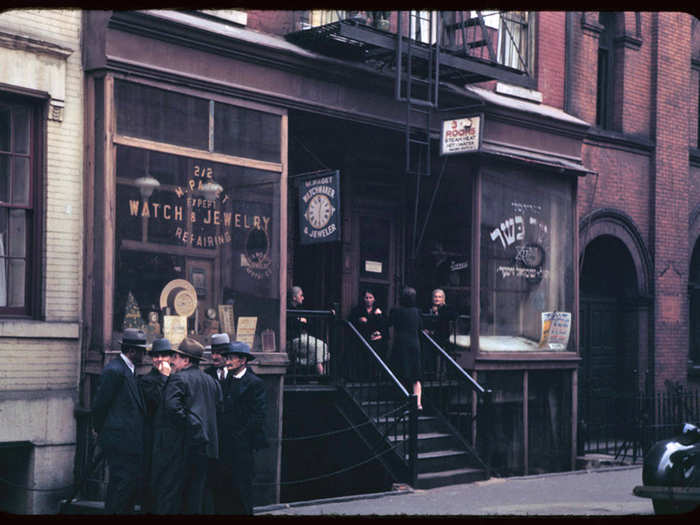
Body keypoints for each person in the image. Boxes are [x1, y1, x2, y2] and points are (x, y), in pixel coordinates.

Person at [151, 338, 222, 514]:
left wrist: (192, 426)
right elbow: (219, 408)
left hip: (181, 448)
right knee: (196, 496)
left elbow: (172, 408)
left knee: (170, 494)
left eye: (176, 357)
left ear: (186, 360)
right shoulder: (211, 381)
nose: (172, 361)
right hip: (205, 448)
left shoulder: (178, 379)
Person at [91, 328, 147, 514]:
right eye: (141, 351)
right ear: (131, 351)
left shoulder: (128, 371)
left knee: (127, 488)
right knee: (121, 488)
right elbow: (100, 405)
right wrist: (102, 431)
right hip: (119, 442)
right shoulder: (114, 371)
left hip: (129, 443)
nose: (144, 355)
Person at [215, 341, 268, 515]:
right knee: (225, 489)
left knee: (242, 489)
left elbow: (258, 416)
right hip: (225, 445)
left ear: (243, 360)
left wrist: (241, 437)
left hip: (242, 447)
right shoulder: (226, 380)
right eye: (227, 358)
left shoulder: (255, 383)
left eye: (231, 358)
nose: (227, 361)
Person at [138, 337, 173, 513]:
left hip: (171, 439)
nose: (160, 359)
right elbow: (155, 402)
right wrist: (163, 378)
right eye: (156, 356)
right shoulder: (146, 380)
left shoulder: (176, 377)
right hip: (153, 438)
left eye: (164, 355)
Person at [387, 287, 424, 411]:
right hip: (414, 344)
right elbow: (421, 327)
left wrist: (379, 316)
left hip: (401, 344)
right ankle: (418, 403)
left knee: (400, 373)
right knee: (416, 376)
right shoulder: (417, 312)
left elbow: (388, 323)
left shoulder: (396, 311)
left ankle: (405, 400)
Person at [287, 285, 328, 375]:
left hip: (302, 336)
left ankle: (320, 373)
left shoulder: (300, 308)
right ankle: (322, 375)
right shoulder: (287, 308)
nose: (303, 298)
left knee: (324, 345)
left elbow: (309, 323)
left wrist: (301, 322)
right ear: (294, 297)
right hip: (293, 338)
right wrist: (301, 322)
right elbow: (292, 325)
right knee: (318, 347)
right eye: (301, 295)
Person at [423, 288, 457, 376]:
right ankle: (429, 374)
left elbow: (453, 316)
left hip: (443, 337)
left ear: (443, 299)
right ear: (432, 298)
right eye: (435, 297)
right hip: (429, 338)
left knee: (442, 354)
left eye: (440, 297)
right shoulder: (427, 308)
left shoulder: (447, 308)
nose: (437, 299)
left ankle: (442, 375)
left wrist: (438, 311)